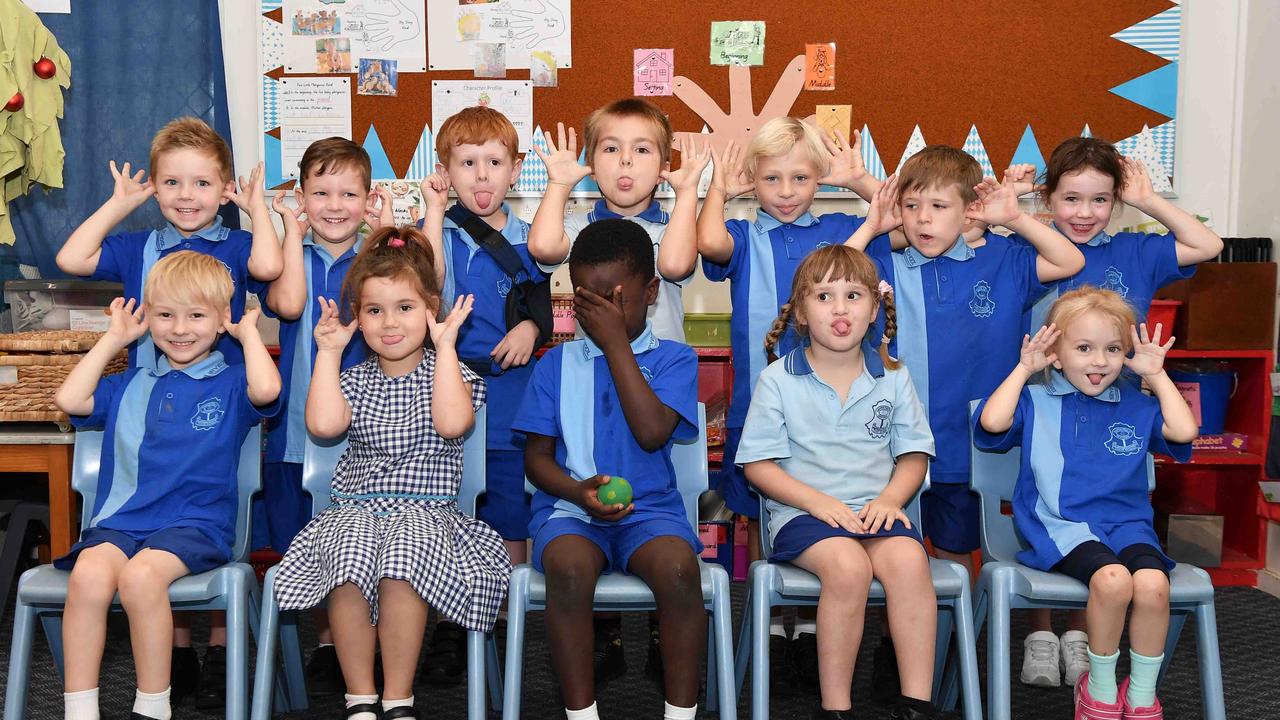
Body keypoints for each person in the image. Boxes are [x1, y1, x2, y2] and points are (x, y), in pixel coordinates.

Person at [1004, 138, 1222, 689]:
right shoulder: (1031, 246)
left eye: (1100, 200)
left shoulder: (1136, 250)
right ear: (1047, 198)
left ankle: (1081, 636)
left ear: (1116, 202)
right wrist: (1018, 202)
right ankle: (1041, 632)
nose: (1084, 213)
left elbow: (1206, 243)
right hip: (1045, 400)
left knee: (1103, 510)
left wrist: (1147, 200)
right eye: (1070, 198)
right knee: (1051, 503)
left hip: (1119, 404)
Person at [273, 225, 511, 720]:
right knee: (346, 561)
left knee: (403, 558)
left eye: (404, 308)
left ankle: (398, 697)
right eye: (374, 311)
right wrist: (330, 354)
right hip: (356, 511)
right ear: (357, 317)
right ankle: (359, 697)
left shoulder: (454, 373)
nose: (389, 323)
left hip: (429, 515)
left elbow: (452, 423)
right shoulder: (353, 378)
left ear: (430, 308)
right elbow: (321, 425)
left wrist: (446, 348)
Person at [54, 251, 281, 720]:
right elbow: (69, 398)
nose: (180, 329)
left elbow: (268, 392)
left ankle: (153, 706)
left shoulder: (233, 382)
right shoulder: (129, 382)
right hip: (123, 523)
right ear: (148, 318)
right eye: (165, 315)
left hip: (196, 526)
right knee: (89, 575)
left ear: (222, 320)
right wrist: (113, 339)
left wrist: (250, 336)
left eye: (197, 315)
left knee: (141, 578)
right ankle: (79, 708)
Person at [738, 243, 942, 720]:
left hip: (876, 511)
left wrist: (892, 499)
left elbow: (914, 455)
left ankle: (915, 704)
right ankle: (836, 708)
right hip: (804, 517)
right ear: (801, 313)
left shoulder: (893, 376)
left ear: (874, 310)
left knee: (911, 560)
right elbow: (758, 467)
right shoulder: (777, 380)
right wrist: (817, 503)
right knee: (848, 568)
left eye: (853, 296)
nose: (840, 309)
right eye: (824, 296)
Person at [973, 286, 1197, 720]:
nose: (1099, 361)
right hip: (1060, 527)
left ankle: (1143, 695)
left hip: (1128, 527)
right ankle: (1098, 690)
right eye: (1083, 348)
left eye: (1113, 349)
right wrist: (1024, 369)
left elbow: (1184, 431)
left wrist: (1156, 376)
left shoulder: (1136, 402)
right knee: (1113, 581)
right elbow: (992, 421)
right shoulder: (1036, 400)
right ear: (1055, 352)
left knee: (1153, 585)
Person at [513, 219, 705, 720]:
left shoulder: (674, 360)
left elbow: (650, 432)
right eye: (585, 299)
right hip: (571, 511)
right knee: (570, 573)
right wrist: (579, 494)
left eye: (612, 299)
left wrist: (617, 344)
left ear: (652, 292)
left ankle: (680, 713)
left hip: (653, 513)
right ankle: (582, 713)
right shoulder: (555, 365)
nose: (597, 313)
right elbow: (536, 460)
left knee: (681, 573)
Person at [417, 105, 551, 684]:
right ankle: (450, 620)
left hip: (510, 393)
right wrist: (430, 210)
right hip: (446, 386)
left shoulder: (529, 239)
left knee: (507, 504)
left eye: (493, 163)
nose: (480, 176)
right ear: (445, 170)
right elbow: (428, 286)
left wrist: (530, 328)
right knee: (445, 503)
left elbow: (541, 303)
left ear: (516, 170)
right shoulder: (434, 231)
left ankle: (505, 613)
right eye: (466, 163)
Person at [260, 136, 391, 694]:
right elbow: (288, 305)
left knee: (372, 543)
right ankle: (327, 642)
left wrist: (382, 238)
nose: (334, 205)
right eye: (320, 193)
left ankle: (376, 644)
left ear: (369, 198)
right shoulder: (292, 256)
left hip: (368, 434)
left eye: (348, 193)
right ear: (301, 196)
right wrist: (292, 233)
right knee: (303, 543)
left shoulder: (380, 258)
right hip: (295, 432)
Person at [55, 116, 283, 369]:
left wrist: (257, 209)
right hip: (150, 391)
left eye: (202, 183)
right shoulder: (139, 248)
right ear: (154, 188)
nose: (186, 194)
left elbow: (269, 267)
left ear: (225, 191)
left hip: (224, 392)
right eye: (172, 182)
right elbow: (71, 259)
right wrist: (118, 206)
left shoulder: (237, 244)